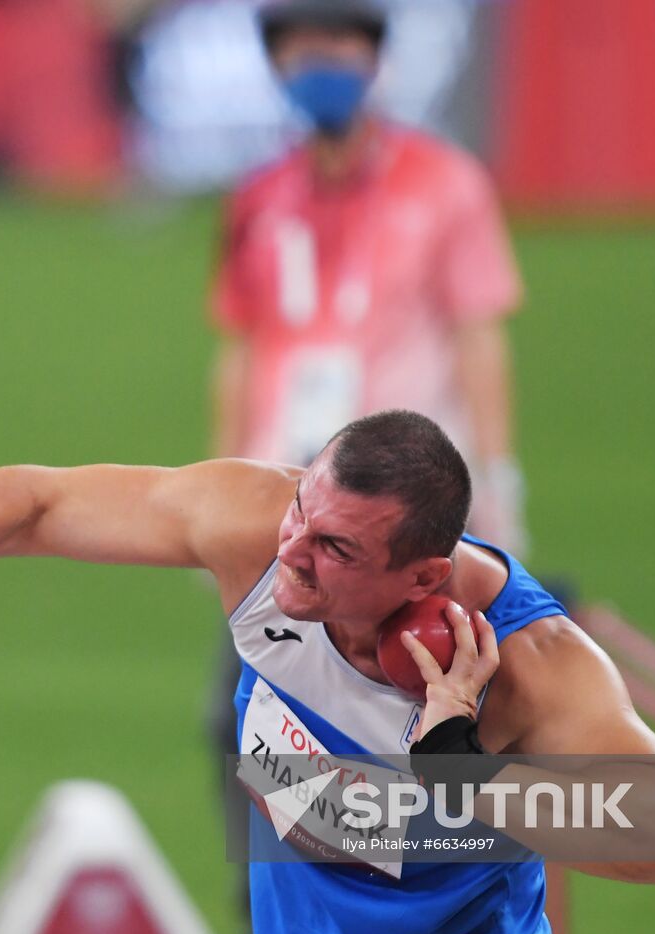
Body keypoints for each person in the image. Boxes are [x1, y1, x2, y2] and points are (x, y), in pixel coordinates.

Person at [0, 410, 655, 934]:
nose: (289, 555)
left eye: (333, 547)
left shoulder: (528, 666)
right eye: (301, 510)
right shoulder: (255, 532)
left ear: (422, 578)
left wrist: (464, 778)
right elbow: (36, 503)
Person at [212, 0, 526, 553]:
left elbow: (477, 335)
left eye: (338, 44)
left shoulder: (446, 182)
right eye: (303, 49)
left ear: (375, 55)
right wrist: (219, 479)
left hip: (407, 493)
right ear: (276, 62)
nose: (320, 63)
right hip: (283, 489)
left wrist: (497, 474)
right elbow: (239, 345)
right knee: (263, 638)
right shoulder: (258, 196)